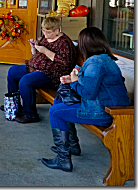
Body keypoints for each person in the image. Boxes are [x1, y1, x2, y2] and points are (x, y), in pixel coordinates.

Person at [41, 27, 130, 172]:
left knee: (55, 112)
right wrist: (73, 79)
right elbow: (91, 82)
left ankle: (63, 159)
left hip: (106, 112)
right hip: (107, 106)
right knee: (60, 101)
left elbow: (88, 93)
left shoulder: (95, 63)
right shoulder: (104, 59)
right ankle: (72, 145)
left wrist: (75, 81)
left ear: (85, 45)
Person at [3, 16, 76, 123]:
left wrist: (45, 51)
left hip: (52, 75)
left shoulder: (64, 43)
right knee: (13, 71)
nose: (45, 34)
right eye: (43, 31)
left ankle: (30, 114)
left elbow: (65, 64)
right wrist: (34, 46)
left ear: (57, 30)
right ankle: (14, 105)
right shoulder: (46, 38)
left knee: (26, 81)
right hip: (35, 68)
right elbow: (35, 54)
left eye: (48, 32)